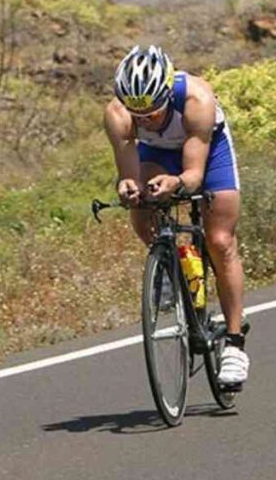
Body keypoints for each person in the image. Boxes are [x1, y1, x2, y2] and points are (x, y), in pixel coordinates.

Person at [103, 45, 249, 387]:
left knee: (220, 240)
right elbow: (128, 170)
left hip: (207, 151)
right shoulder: (118, 114)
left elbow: (194, 175)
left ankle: (234, 343)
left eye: (153, 112)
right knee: (141, 206)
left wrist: (178, 182)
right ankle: (171, 268)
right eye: (138, 114)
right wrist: (129, 186)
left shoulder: (197, 99)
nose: (145, 120)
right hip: (156, 153)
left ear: (168, 93)